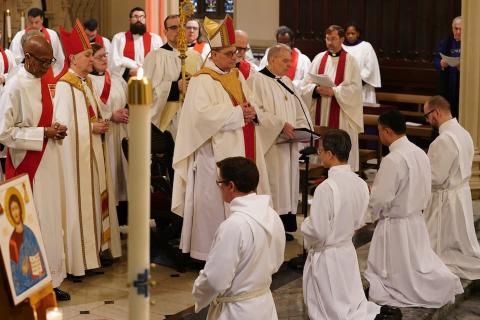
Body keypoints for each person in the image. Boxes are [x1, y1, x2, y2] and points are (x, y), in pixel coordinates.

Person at [172, 15, 271, 261]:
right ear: (214, 54)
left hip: (242, 144)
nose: (234, 58)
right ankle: (211, 253)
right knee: (214, 205)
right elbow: (200, 117)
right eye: (229, 53)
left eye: (236, 53)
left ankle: (243, 247)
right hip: (213, 154)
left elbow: (252, 102)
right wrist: (239, 113)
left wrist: (252, 111)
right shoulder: (201, 80)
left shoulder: (236, 75)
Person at [364, 110, 463, 308]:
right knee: (416, 263)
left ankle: (401, 288)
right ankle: (437, 284)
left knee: (399, 273)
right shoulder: (419, 152)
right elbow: (426, 186)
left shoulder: (392, 159)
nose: (379, 135)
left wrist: (369, 215)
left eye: (380, 131)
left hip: (396, 224)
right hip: (416, 220)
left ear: (388, 131)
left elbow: (381, 198)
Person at [0, 34, 70, 300]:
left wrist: (57, 130)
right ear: (27, 58)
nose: (46, 67)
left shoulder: (45, 81)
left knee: (49, 221)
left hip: (47, 161)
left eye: (49, 61)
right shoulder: (15, 86)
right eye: (42, 61)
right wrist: (43, 133)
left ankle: (50, 280)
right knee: (29, 225)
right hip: (26, 165)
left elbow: (47, 119)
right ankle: (29, 287)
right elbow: (4, 133)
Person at [54, 19, 121, 276]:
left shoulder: (87, 82)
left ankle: (94, 253)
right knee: (81, 204)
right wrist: (91, 129)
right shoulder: (63, 86)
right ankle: (80, 259)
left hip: (93, 154)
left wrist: (102, 122)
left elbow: (95, 113)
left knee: (95, 202)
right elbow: (61, 126)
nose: (91, 59)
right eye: (87, 55)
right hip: (77, 158)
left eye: (91, 54)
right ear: (72, 57)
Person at [302, 129, 382, 320]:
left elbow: (317, 231)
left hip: (328, 257)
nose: (319, 154)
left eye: (320, 151)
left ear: (330, 154)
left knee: (332, 309)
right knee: (350, 301)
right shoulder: (361, 183)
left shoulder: (326, 188)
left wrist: (305, 224)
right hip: (347, 250)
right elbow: (362, 219)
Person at [192, 157, 285, 320]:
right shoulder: (272, 215)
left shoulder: (233, 226)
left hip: (236, 311)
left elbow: (215, 280)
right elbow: (277, 260)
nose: (219, 188)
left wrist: (198, 292)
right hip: (264, 304)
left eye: (220, 183)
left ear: (231, 186)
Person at [252, 44, 312, 240]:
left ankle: (284, 226)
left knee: (288, 185)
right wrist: (279, 125)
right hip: (273, 146)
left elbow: (299, 109)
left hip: (290, 145)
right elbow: (256, 111)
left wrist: (304, 130)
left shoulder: (286, 81)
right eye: (285, 61)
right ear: (271, 60)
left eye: (290, 61)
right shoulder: (257, 80)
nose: (289, 65)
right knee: (274, 184)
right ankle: (272, 227)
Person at [423, 95, 480, 280]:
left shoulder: (443, 140)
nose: (428, 120)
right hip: (460, 194)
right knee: (461, 240)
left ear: (436, 112)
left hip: (445, 200)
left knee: (437, 250)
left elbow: (436, 178)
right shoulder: (464, 133)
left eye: (427, 116)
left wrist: (417, 176)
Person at [300, 25, 363, 172]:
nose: (330, 42)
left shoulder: (350, 61)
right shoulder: (318, 58)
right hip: (320, 114)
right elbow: (305, 86)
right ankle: (319, 175)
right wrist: (315, 90)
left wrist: (334, 92)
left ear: (342, 39)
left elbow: (355, 90)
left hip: (340, 114)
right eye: (327, 39)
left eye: (333, 39)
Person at [143, 14, 202, 136]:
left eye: (182, 27)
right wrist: (175, 87)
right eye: (174, 27)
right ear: (165, 31)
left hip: (191, 120)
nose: (179, 31)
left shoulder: (195, 57)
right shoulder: (155, 57)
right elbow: (147, 92)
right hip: (166, 123)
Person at [90, 43, 129, 205]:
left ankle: (125, 208)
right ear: (90, 59)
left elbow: (127, 99)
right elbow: (90, 106)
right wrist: (110, 115)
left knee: (123, 169)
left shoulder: (116, 78)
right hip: (106, 133)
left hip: (122, 131)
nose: (104, 59)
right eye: (99, 57)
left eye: (105, 55)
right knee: (110, 170)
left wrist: (127, 110)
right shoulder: (88, 81)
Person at [6, 190, 47, 296]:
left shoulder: (29, 232)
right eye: (12, 209)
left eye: (16, 208)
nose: (15, 212)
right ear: (10, 213)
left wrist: (33, 266)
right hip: (22, 285)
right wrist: (23, 270)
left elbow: (39, 258)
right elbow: (13, 271)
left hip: (37, 279)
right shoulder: (12, 240)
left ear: (20, 208)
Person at [9, 7, 65, 78]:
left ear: (42, 20)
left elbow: (59, 57)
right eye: (31, 22)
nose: (34, 25)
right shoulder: (19, 36)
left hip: (48, 74)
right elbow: (14, 58)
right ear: (27, 20)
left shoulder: (52, 35)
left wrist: (56, 76)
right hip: (26, 75)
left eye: (36, 22)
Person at [111, 7, 163, 81]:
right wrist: (128, 72)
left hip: (149, 80)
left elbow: (160, 62)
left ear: (145, 20)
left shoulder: (155, 39)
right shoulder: (119, 38)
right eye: (135, 16)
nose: (139, 19)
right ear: (129, 20)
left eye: (142, 17)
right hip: (125, 81)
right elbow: (113, 61)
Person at [342, 23, 381, 103]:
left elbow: (370, 66)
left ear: (358, 34)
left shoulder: (366, 46)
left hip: (363, 84)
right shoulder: (341, 47)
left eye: (353, 33)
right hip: (344, 85)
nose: (350, 36)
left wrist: (359, 81)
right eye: (348, 33)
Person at [434, 16, 461, 118]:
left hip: (461, 87)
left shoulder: (470, 43)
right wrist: (440, 63)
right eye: (456, 28)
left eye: (461, 29)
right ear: (452, 28)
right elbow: (436, 59)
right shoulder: (446, 42)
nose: (458, 32)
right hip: (447, 85)